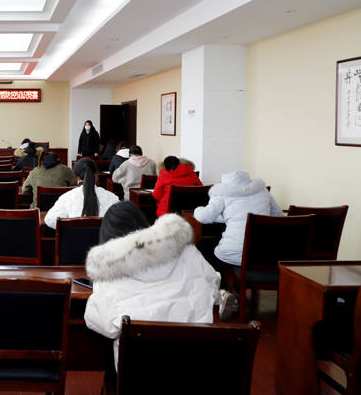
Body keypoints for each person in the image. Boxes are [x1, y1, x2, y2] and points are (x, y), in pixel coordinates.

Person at [84, 201, 220, 371]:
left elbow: (107, 327)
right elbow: (214, 284)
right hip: (194, 362)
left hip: (140, 372)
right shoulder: (186, 249)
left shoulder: (107, 271)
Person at [194, 171, 284, 320]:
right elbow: (279, 216)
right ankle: (230, 295)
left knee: (208, 252)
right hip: (265, 255)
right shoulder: (262, 191)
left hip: (237, 256)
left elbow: (205, 217)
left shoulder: (221, 192)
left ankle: (223, 293)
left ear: (224, 182)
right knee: (227, 252)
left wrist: (198, 209)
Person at [44, 157, 119, 229]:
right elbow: (120, 222)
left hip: (74, 238)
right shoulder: (112, 198)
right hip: (103, 238)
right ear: (96, 175)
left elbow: (49, 220)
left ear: (77, 178)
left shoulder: (66, 198)